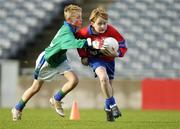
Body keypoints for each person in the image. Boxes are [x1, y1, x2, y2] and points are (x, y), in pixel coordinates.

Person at [11, 4, 101, 121]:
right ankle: (17, 108)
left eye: (80, 16)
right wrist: (89, 43)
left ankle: (56, 99)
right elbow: (71, 42)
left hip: (60, 59)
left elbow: (77, 38)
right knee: (35, 87)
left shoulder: (72, 29)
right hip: (48, 60)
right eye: (78, 17)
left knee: (74, 80)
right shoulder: (66, 31)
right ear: (69, 20)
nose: (81, 19)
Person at [76, 7, 127, 122]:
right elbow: (78, 41)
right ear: (92, 23)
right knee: (103, 78)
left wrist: (117, 53)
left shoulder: (111, 30)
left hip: (110, 60)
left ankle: (107, 108)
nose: (103, 26)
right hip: (95, 59)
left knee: (109, 86)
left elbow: (122, 44)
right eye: (100, 23)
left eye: (105, 23)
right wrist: (83, 55)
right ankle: (113, 106)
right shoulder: (84, 32)